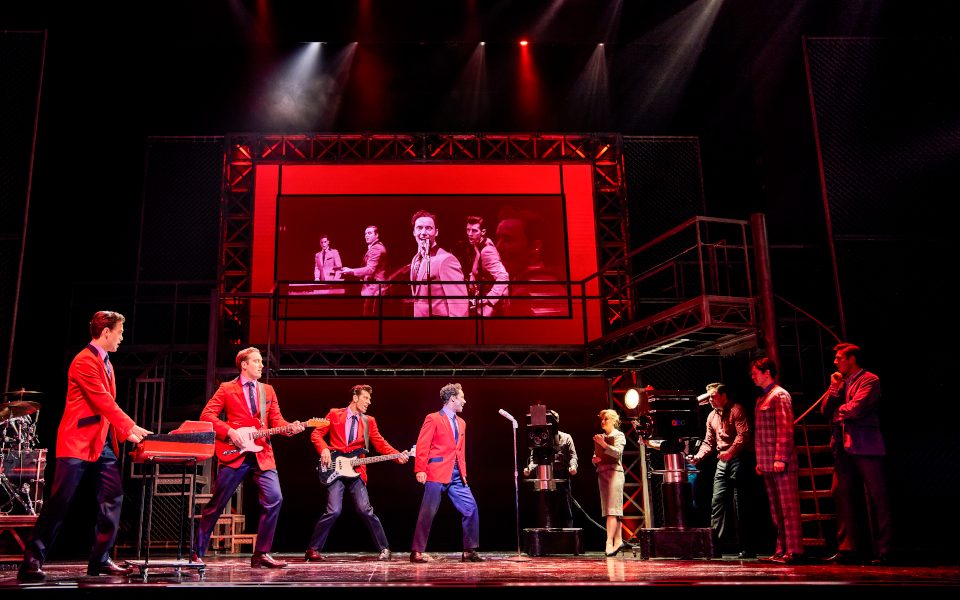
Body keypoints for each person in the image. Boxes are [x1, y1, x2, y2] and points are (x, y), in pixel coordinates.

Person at [18, 311, 153, 581]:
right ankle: (31, 561)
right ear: (106, 332)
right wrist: (129, 427)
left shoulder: (107, 363)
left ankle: (100, 559)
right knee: (60, 501)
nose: (122, 337)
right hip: (77, 441)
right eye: (120, 332)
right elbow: (103, 401)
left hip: (101, 441)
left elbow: (106, 407)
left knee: (112, 497)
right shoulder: (84, 361)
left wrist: (123, 432)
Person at [193, 347, 305, 569]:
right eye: (256, 361)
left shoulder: (268, 390)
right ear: (244, 364)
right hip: (236, 453)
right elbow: (207, 415)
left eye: (261, 361)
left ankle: (261, 553)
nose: (262, 365)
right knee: (217, 504)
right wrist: (230, 432)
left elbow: (277, 421)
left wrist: (290, 428)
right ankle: (196, 552)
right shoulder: (227, 388)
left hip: (262, 453)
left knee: (275, 499)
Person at [305, 384, 410, 562]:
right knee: (334, 511)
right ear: (355, 397)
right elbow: (316, 434)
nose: (369, 402)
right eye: (366, 398)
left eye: (370, 399)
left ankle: (384, 549)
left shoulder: (369, 421)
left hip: (356, 471)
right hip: (335, 469)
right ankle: (312, 549)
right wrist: (323, 450)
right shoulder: (334, 414)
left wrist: (397, 455)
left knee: (365, 509)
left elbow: (380, 443)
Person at [820, 343, 893, 565]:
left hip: (865, 444)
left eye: (839, 358)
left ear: (852, 359)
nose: (835, 361)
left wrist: (838, 413)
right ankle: (847, 548)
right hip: (842, 445)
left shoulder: (870, 379)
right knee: (840, 494)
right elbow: (825, 409)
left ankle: (884, 550)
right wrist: (834, 388)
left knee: (876, 497)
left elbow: (856, 408)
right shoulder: (840, 382)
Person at [410, 383, 482, 563]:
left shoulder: (462, 422)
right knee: (428, 512)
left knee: (470, 508)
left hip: (457, 475)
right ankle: (417, 551)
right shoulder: (433, 418)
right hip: (436, 471)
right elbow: (423, 445)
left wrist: (463, 472)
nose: (464, 401)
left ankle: (468, 550)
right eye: (462, 397)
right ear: (452, 399)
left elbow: (460, 451)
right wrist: (420, 469)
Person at [686, 382, 755, 558]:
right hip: (722, 461)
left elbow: (743, 435)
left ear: (724, 395)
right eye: (709, 396)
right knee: (717, 502)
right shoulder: (711, 416)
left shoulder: (736, 410)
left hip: (738, 458)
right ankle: (715, 545)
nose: (710, 399)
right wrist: (698, 457)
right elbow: (708, 442)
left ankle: (746, 547)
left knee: (740, 503)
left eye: (713, 396)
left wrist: (730, 452)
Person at [750, 357, 803, 564]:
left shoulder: (779, 395)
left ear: (767, 373)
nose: (752, 376)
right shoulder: (762, 398)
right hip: (767, 463)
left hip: (782, 463)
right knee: (776, 510)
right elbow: (763, 434)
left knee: (788, 508)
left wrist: (780, 457)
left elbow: (785, 429)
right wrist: (761, 460)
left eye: (755, 372)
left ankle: (795, 551)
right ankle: (781, 549)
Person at [494, 207, 567, 317]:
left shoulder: (526, 294)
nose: (498, 246)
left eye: (508, 239)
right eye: (498, 238)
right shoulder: (549, 283)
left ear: (534, 247)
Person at [523, 411, 578, 529]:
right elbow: (534, 458)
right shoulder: (539, 439)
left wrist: (573, 467)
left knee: (565, 508)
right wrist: (529, 468)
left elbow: (573, 456)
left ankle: (567, 535)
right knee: (547, 507)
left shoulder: (566, 437)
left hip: (562, 475)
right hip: (544, 477)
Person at [410, 210, 469, 318]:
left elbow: (459, 306)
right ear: (414, 232)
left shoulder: (446, 260)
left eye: (428, 228)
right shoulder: (416, 259)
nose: (423, 232)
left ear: (436, 232)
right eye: (419, 228)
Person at [592, 409, 626, 556]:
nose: (603, 421)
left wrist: (604, 444)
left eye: (606, 419)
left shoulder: (619, 435)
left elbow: (617, 453)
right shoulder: (602, 437)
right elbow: (596, 455)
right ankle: (618, 540)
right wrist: (595, 460)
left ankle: (609, 542)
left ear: (613, 420)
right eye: (602, 419)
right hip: (603, 474)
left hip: (614, 474)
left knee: (612, 510)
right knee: (611, 510)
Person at [464, 215, 509, 317]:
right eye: (468, 230)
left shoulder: (487, 250)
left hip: (492, 308)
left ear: (483, 232)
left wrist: (489, 300)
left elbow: (503, 277)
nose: (470, 234)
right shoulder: (478, 245)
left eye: (474, 231)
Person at [340, 225, 388, 316]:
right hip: (374, 289)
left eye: (369, 233)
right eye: (365, 233)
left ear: (376, 235)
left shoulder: (376, 248)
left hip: (374, 289)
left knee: (370, 318)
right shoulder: (376, 246)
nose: (366, 235)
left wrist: (351, 271)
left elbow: (370, 269)